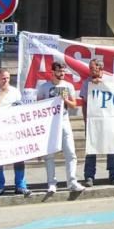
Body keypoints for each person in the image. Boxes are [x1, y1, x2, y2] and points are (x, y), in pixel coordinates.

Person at [36, 62, 85, 193]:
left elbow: (74, 105)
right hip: (50, 122)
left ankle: (72, 181)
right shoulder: (44, 87)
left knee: (70, 152)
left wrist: (65, 99)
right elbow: (37, 106)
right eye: (59, 71)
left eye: (63, 71)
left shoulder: (68, 86)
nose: (62, 74)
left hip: (64, 120)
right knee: (49, 154)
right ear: (52, 72)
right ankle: (52, 183)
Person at [0, 69, 31, 197]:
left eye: (8, 78)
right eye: (3, 78)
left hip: (13, 128)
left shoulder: (15, 91)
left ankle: (21, 185)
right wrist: (2, 94)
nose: (6, 81)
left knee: (19, 158)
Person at [82, 59, 114, 187]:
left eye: (92, 68)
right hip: (93, 121)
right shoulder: (86, 83)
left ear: (100, 68)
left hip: (109, 120)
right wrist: (85, 119)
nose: (90, 70)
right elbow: (84, 103)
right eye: (90, 68)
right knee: (91, 149)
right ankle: (89, 176)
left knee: (112, 148)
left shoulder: (111, 80)